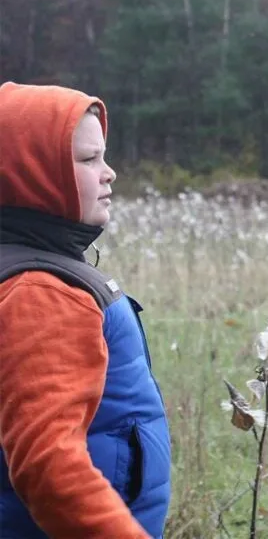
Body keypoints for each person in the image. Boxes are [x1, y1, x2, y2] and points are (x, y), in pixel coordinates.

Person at [0, 81, 171, 538]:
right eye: (88, 159)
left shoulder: (24, 265)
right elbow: (49, 466)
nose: (109, 172)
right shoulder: (41, 291)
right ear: (35, 173)